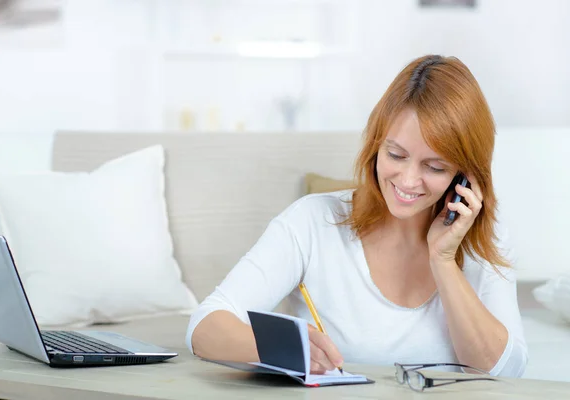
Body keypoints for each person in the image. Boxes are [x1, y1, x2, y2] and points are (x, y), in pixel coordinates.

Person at [185, 54, 528, 378]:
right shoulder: (313, 222)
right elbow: (203, 328)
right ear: (375, 145)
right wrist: (282, 348)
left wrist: (443, 260)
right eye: (396, 154)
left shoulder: (486, 241)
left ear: (464, 173)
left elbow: (506, 372)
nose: (408, 181)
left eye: (434, 166)